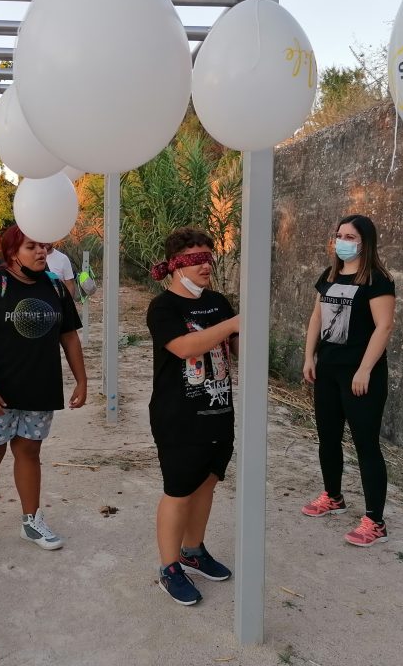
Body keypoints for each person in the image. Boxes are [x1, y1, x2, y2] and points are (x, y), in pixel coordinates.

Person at [0, 225, 87, 560]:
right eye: (33, 246)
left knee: (29, 453)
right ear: (13, 252)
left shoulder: (55, 287)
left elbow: (69, 336)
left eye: (44, 246)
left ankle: (32, 521)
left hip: (39, 388)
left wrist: (82, 380)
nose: (42, 252)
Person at [146, 228, 239, 606]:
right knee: (179, 490)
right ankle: (170, 568)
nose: (205, 265)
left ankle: (193, 550)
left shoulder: (218, 302)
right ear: (174, 266)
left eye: (208, 258)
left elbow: (235, 349)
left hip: (219, 411)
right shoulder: (163, 307)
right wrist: (232, 325)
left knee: (206, 485)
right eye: (195, 259)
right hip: (178, 416)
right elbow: (183, 347)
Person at [301, 214, 396, 547]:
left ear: (365, 242)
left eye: (350, 236)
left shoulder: (377, 280)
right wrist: (309, 356)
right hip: (328, 370)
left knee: (366, 446)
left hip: (360, 376)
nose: (342, 241)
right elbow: (317, 317)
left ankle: (375, 522)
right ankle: (333, 497)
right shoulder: (329, 275)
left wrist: (365, 369)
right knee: (327, 438)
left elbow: (383, 327)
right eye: (339, 235)